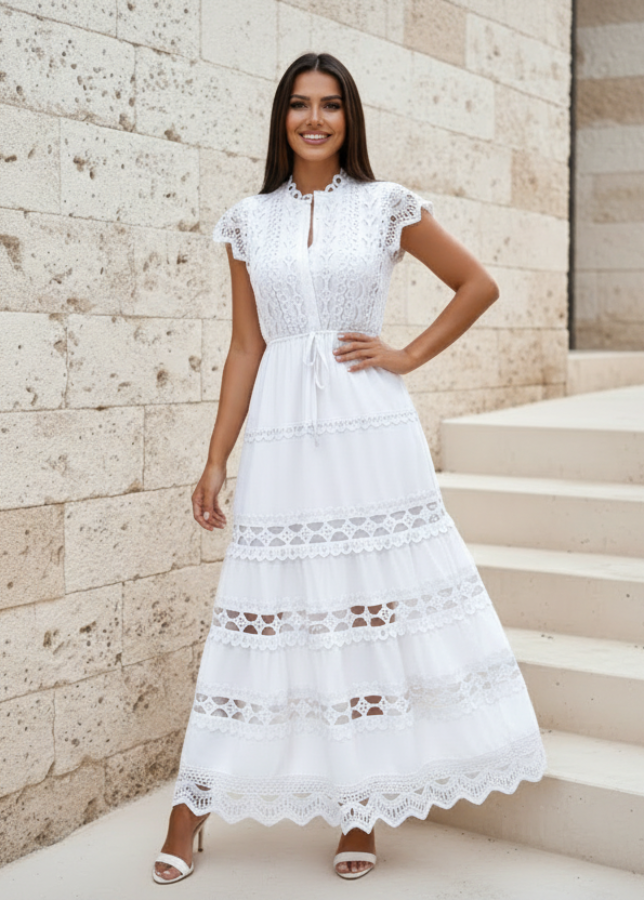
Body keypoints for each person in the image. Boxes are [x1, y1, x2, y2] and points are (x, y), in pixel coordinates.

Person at [152, 52, 547, 884]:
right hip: (285, 436)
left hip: (370, 430)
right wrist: (215, 458)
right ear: (281, 119)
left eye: (330, 105)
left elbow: (476, 285)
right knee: (260, 607)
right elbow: (246, 346)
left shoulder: (384, 206)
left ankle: (358, 806)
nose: (315, 119)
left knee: (367, 609)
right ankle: (190, 811)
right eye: (299, 105)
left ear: (350, 117)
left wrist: (407, 354)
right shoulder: (247, 221)